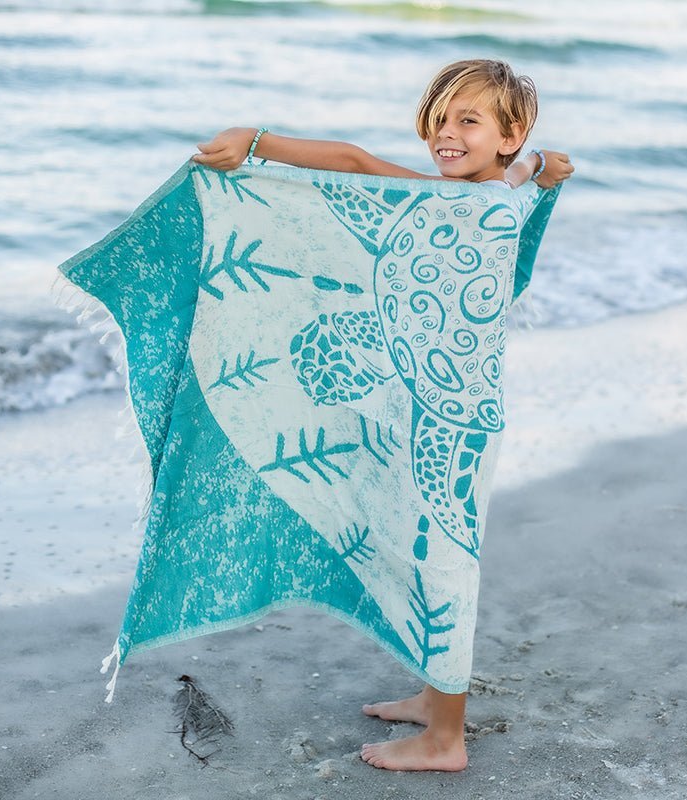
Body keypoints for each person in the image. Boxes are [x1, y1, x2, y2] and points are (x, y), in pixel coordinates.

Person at [190, 59, 573, 773]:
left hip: (453, 419)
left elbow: (356, 162)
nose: (445, 134)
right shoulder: (495, 192)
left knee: (445, 561)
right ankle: (435, 698)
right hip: (446, 399)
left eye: (467, 120)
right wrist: (544, 166)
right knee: (427, 551)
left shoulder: (469, 204)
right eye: (438, 120)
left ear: (508, 133)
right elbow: (522, 174)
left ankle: (446, 740)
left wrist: (259, 142)